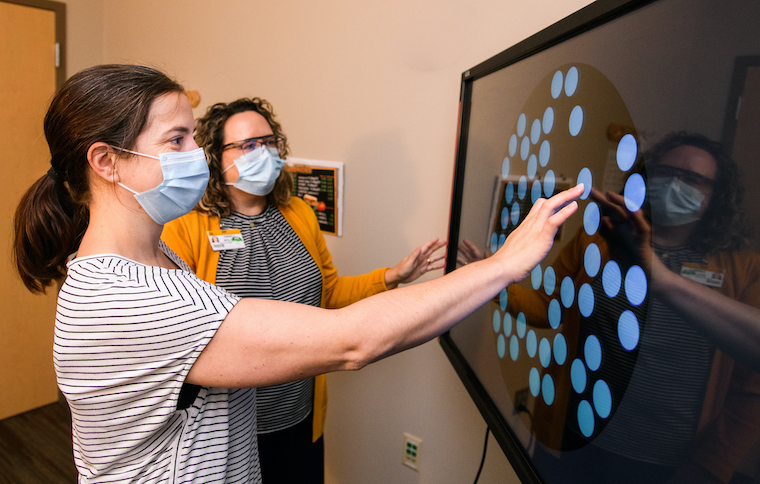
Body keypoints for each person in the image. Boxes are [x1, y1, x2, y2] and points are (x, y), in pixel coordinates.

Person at [12, 64, 583, 483]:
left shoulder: (160, 258)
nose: (195, 154)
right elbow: (352, 340)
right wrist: (506, 265)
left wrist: (396, 275)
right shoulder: (129, 295)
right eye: (177, 140)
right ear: (106, 161)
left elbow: (325, 297)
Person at [161, 97, 446, 483]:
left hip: (299, 415)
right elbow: (180, 334)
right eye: (247, 145)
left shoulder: (299, 213)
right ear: (215, 156)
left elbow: (326, 295)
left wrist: (393, 275)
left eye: (269, 141)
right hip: (226, 430)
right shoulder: (187, 227)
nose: (262, 152)